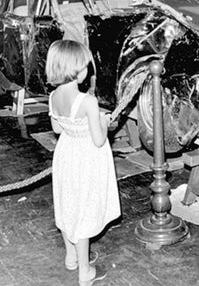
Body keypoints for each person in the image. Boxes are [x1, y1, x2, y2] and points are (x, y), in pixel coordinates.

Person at [45, 40, 121, 285]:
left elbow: (57, 128)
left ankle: (71, 257)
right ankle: (84, 272)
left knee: (68, 203)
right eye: (85, 66)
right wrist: (103, 121)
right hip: (87, 156)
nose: (88, 71)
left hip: (66, 153)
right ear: (75, 69)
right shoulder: (87, 101)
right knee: (85, 209)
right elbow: (99, 140)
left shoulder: (53, 95)